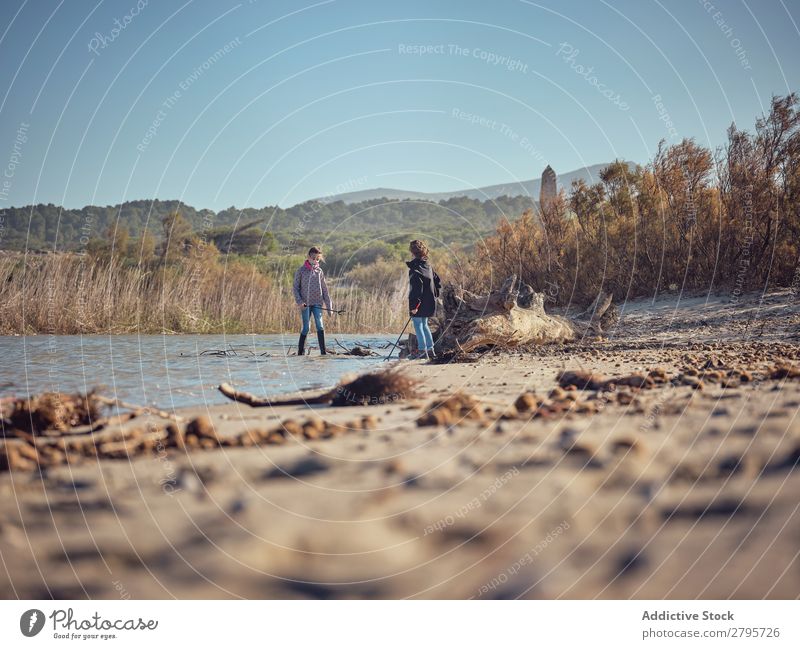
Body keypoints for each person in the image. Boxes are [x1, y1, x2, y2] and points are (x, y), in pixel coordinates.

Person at [293, 246, 332, 355]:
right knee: (306, 328)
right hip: (305, 304)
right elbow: (295, 288)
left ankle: (323, 353)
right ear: (308, 256)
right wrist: (300, 302)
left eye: (317, 259)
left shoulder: (319, 271)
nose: (315, 260)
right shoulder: (301, 271)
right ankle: (301, 353)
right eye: (313, 258)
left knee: (320, 325)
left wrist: (329, 307)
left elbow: (325, 289)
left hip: (317, 303)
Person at [406, 239, 441, 359]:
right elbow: (437, 281)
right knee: (424, 324)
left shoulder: (415, 268)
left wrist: (414, 306)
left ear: (412, 251)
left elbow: (416, 289)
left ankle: (422, 350)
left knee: (418, 324)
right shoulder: (428, 266)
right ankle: (430, 350)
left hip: (419, 302)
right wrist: (435, 295)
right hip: (429, 301)